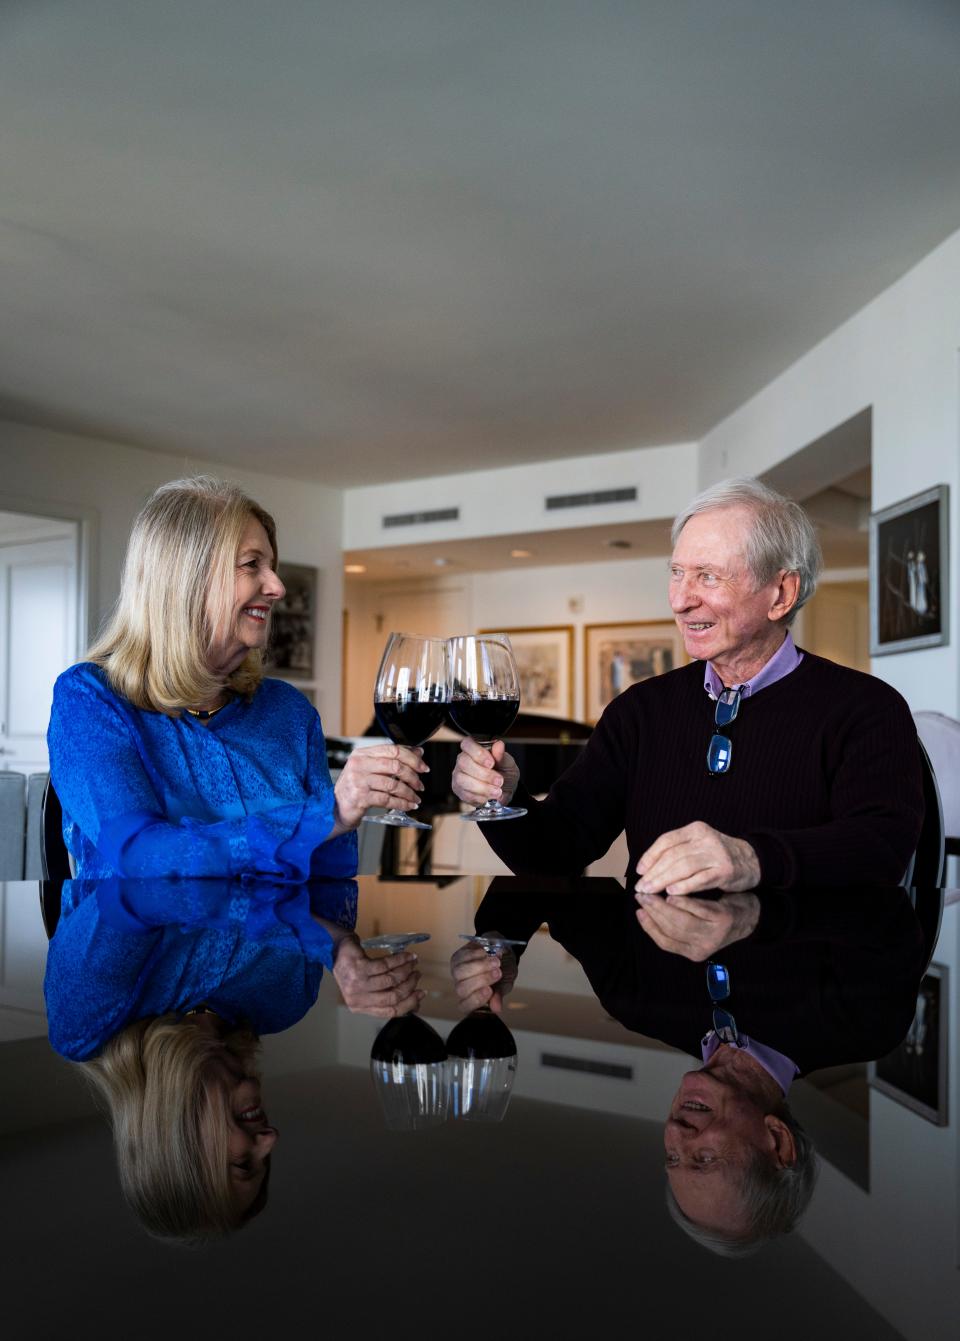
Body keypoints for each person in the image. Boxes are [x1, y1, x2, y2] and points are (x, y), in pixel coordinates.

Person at [452, 477, 924, 891]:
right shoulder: (640, 711)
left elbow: (880, 848)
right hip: (659, 981)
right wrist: (504, 797)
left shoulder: (866, 708)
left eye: (708, 576)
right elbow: (555, 854)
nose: (680, 600)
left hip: (798, 981)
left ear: (781, 594)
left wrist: (751, 859)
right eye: (677, 573)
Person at [451, 877, 927, 1253]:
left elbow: (552, 869)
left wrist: (500, 945)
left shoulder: (636, 1001)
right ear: (777, 1140)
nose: (677, 1133)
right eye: (703, 1158)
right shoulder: (863, 1022)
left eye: (673, 1157)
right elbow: (876, 890)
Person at [47, 476, 428, 879]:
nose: (277, 587)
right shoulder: (90, 700)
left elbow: (331, 871)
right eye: (252, 565)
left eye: (272, 567)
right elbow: (143, 857)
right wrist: (323, 817)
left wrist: (338, 941)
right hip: (149, 942)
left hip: (285, 940)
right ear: (185, 579)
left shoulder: (288, 711)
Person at [49, 877, 425, 1241]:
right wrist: (341, 948)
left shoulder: (84, 1021)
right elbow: (324, 872)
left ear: (183, 1151)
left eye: (244, 1163)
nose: (270, 1140)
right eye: (266, 1162)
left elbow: (150, 879)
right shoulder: (282, 1002)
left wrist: (321, 938)